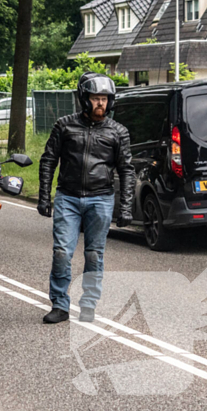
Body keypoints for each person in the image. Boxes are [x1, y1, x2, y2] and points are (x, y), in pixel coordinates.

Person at [37, 72, 135, 324]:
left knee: (94, 254)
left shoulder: (118, 132)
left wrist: (126, 208)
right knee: (61, 252)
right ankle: (59, 305)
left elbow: (126, 170)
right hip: (67, 198)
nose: (100, 103)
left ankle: (89, 304)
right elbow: (49, 160)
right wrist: (44, 197)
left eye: (104, 98)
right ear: (84, 99)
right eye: (95, 98)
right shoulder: (64, 125)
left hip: (101, 200)